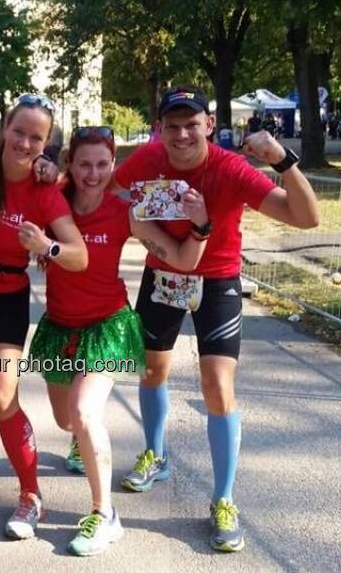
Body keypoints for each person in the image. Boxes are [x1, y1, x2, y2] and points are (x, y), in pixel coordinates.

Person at [114, 86, 319, 553]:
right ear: (159, 129)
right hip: (164, 275)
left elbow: (306, 218)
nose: (182, 134)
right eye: (173, 125)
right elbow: (104, 188)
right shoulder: (147, 160)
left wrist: (285, 161)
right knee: (152, 369)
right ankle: (155, 453)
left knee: (217, 385)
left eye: (192, 124)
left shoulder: (231, 169)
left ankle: (224, 498)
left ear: (208, 125)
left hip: (219, 279)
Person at [29, 125, 210, 556]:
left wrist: (202, 226)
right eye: (85, 164)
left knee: (84, 409)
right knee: (66, 420)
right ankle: (79, 440)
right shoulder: (52, 202)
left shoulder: (125, 210)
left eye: (103, 164)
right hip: (58, 326)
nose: (94, 173)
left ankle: (105, 514)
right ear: (70, 164)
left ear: (114, 166)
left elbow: (183, 258)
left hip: (108, 325)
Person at [0, 93, 88, 540]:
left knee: (0, 391)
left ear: (47, 144)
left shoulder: (44, 191)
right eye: (19, 132)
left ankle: (31, 495)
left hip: (6, 294)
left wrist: (46, 247)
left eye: (37, 137)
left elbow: (79, 255)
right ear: (3, 129)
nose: (25, 143)